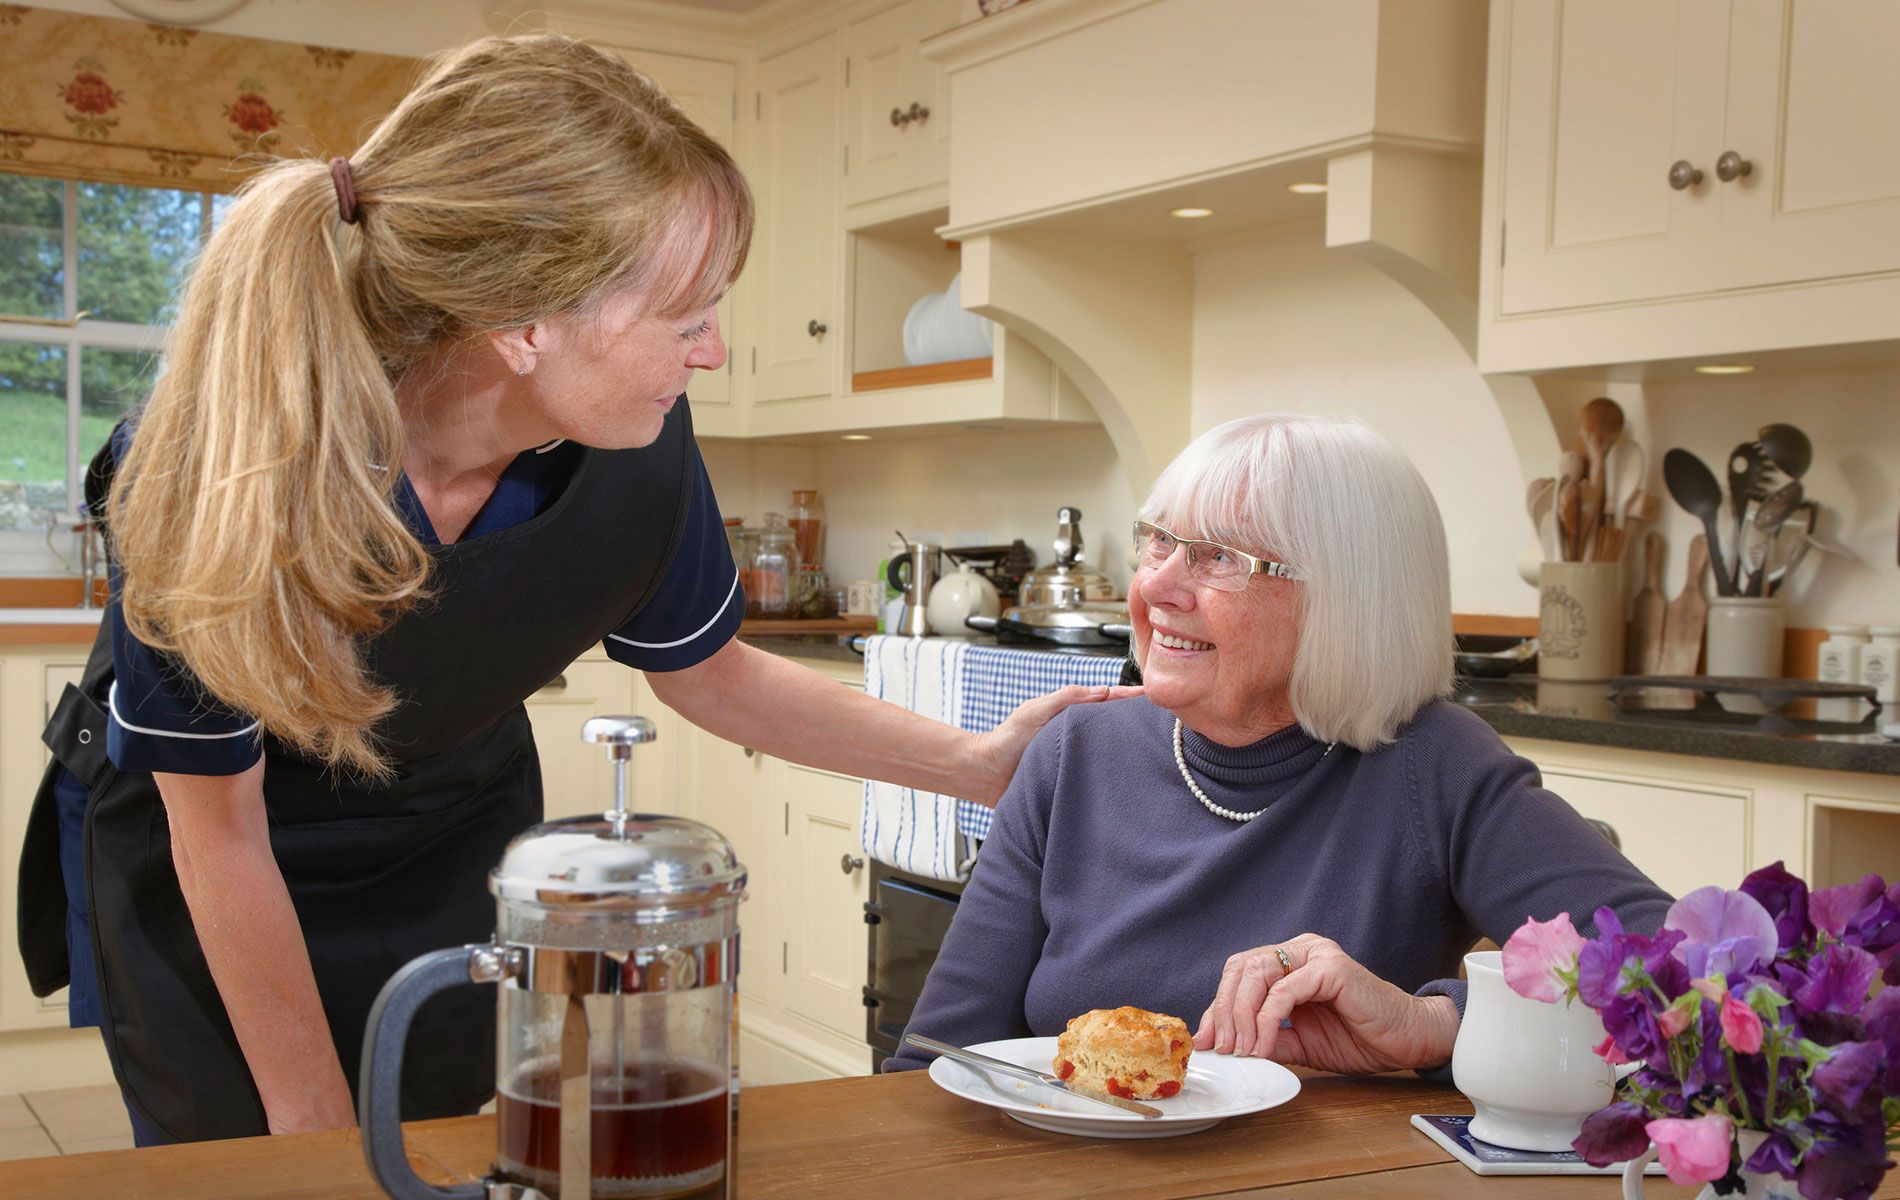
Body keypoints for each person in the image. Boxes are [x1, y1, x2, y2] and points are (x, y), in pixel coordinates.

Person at [14, 34, 1128, 1146]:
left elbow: (709, 674)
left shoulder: (633, 444)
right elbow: (222, 836)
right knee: (258, 1157)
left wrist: (977, 767)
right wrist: (309, 1128)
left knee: (440, 1137)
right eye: (685, 313)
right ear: (523, 322)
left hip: (447, 835)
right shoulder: (226, 469)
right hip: (214, 863)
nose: (715, 352)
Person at [886, 414, 1672, 1078]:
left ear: (1348, 600)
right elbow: (933, 1061)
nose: (1157, 585)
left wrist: (1434, 1021)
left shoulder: (1434, 766)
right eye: (1158, 541)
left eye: (1219, 556)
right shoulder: (1075, 755)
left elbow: (1680, 983)